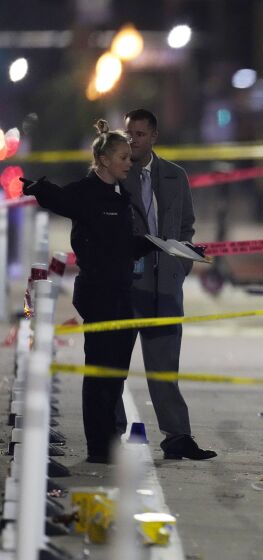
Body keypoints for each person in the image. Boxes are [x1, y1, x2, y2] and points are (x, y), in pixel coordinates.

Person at [22, 120, 154, 463]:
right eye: (124, 157)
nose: (130, 162)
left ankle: (110, 440)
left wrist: (157, 245)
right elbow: (61, 200)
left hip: (122, 290)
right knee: (100, 370)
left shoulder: (120, 195)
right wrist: (38, 187)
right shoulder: (87, 191)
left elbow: (119, 243)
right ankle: (100, 447)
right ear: (105, 160)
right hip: (98, 292)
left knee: (116, 371)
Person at [120, 108, 215, 460]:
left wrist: (179, 267)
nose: (133, 140)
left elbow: (187, 225)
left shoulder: (175, 176)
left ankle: (177, 437)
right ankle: (110, 436)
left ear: (154, 137)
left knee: (164, 369)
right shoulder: (118, 174)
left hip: (165, 288)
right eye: (128, 133)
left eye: (140, 134)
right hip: (128, 284)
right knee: (113, 365)